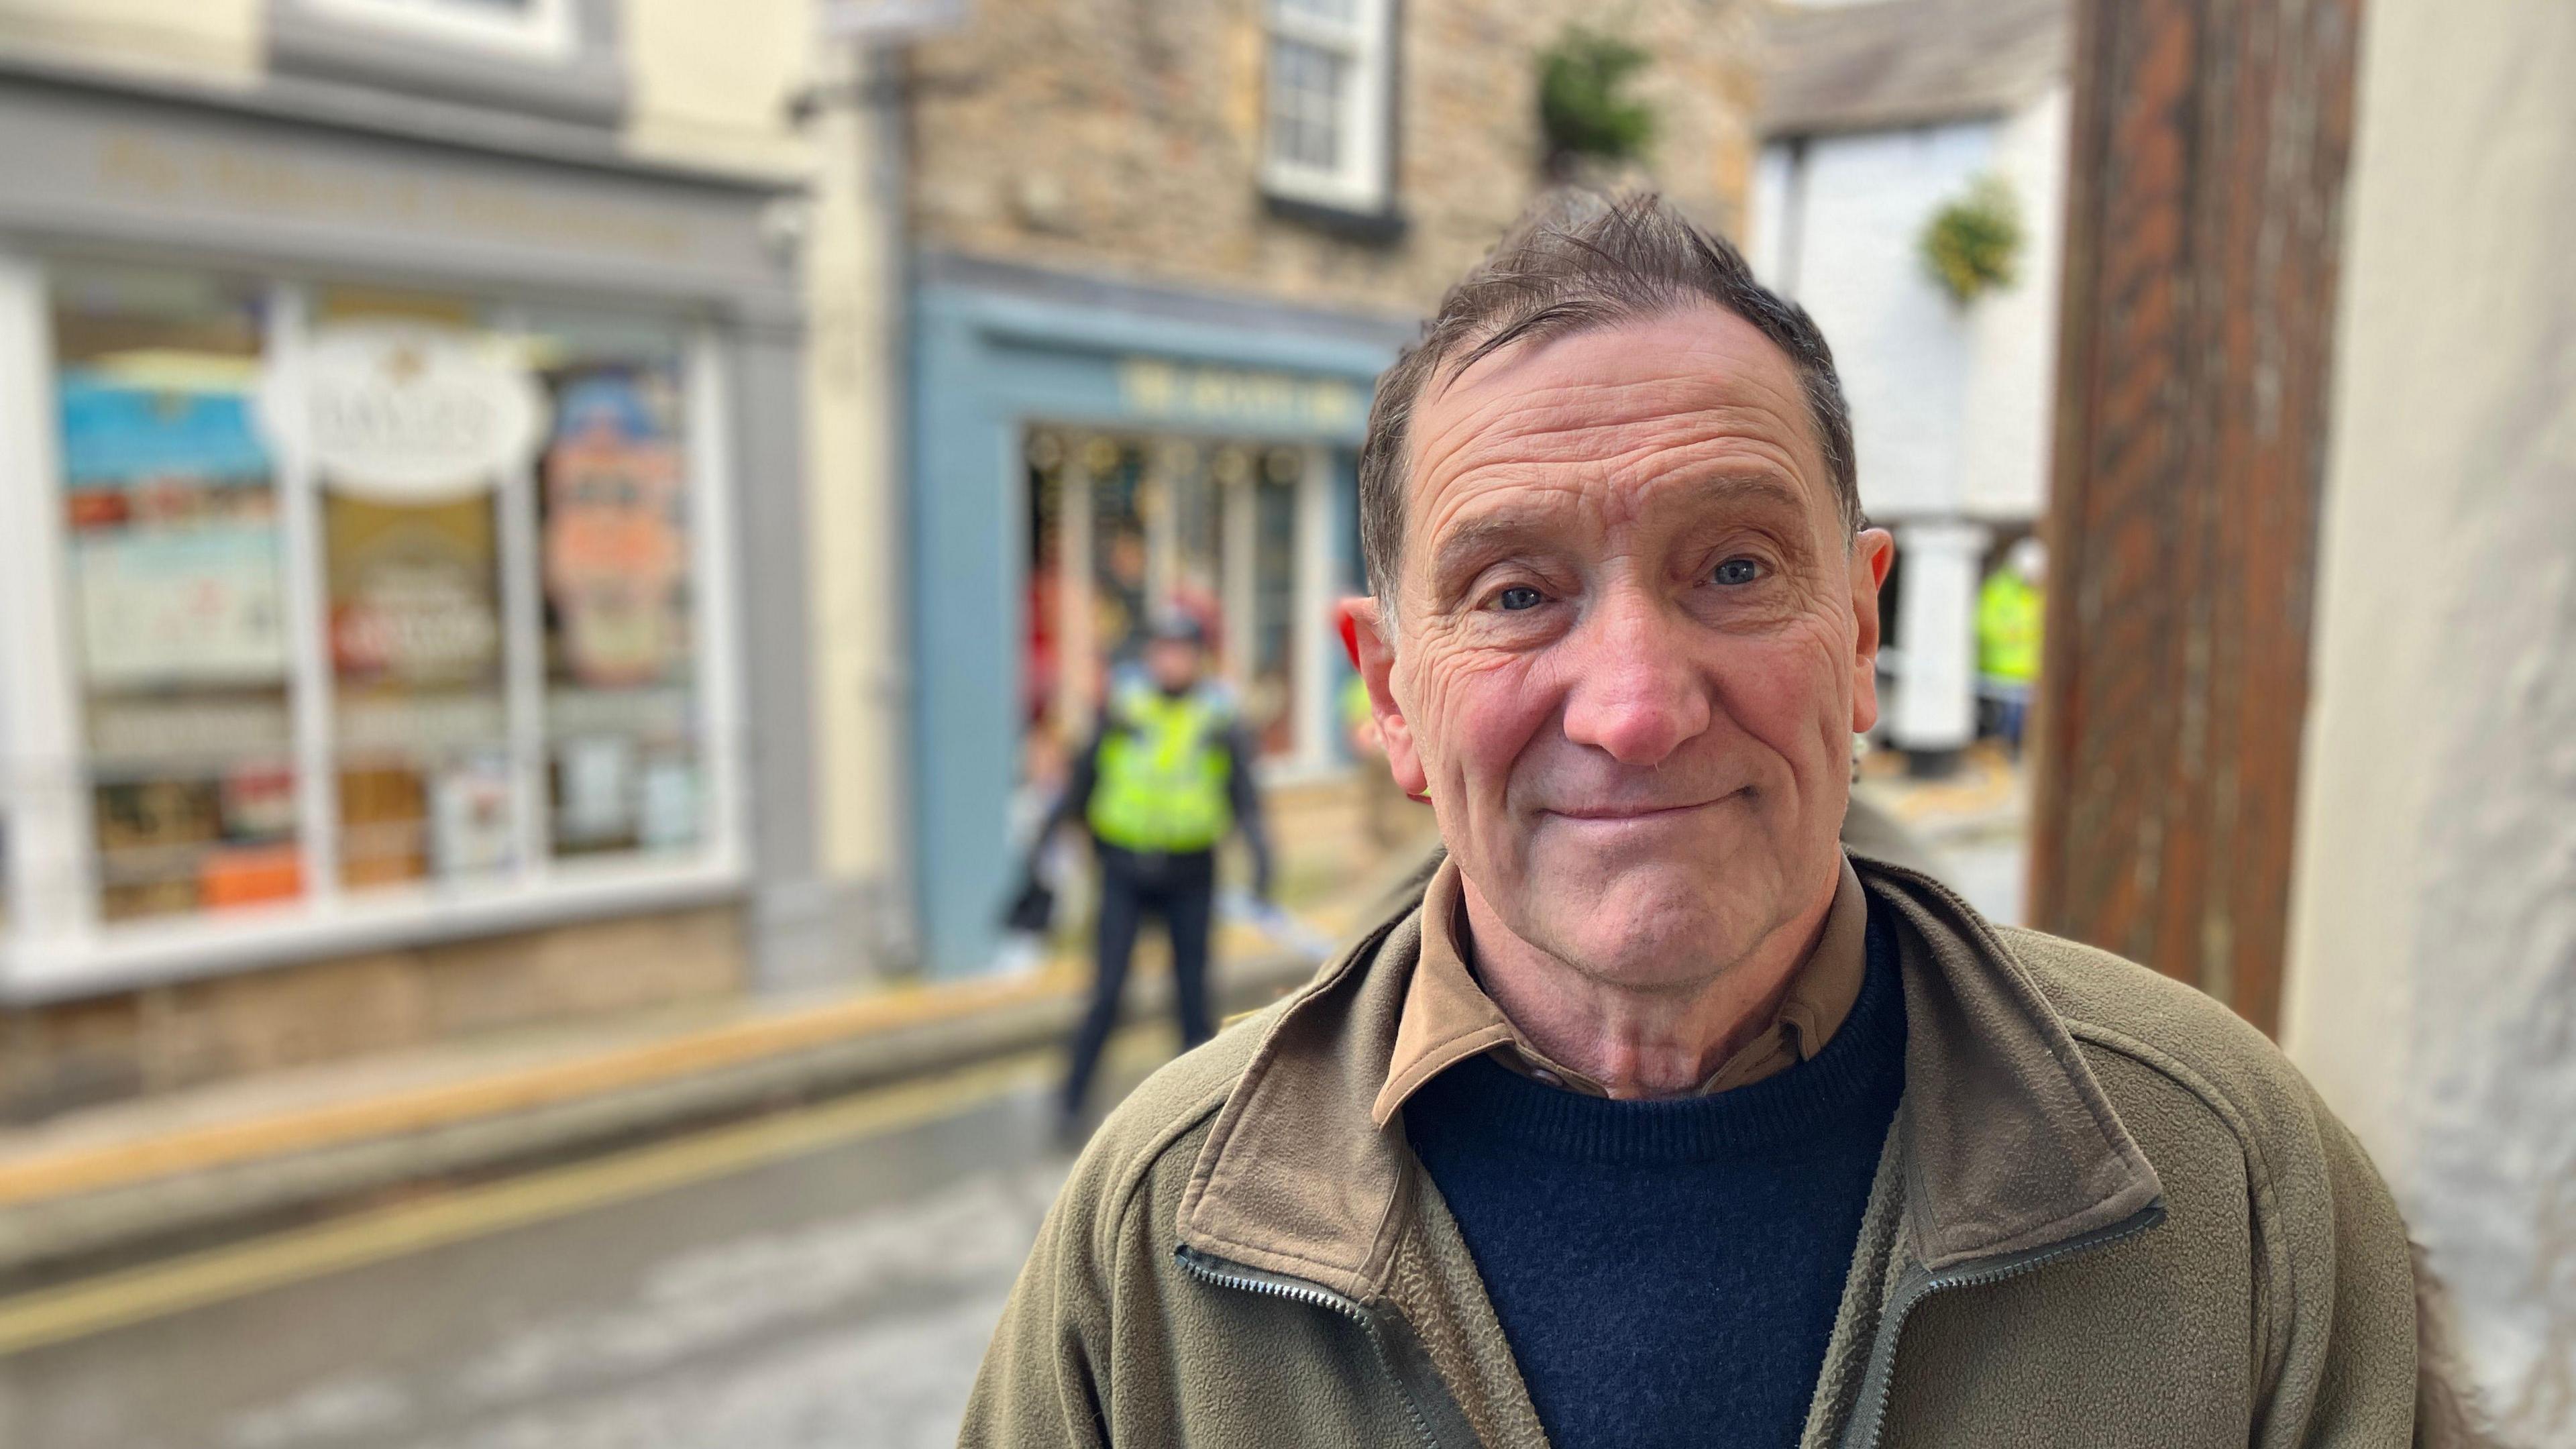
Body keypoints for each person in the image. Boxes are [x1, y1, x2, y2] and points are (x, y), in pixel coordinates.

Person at [964, 194, 2420, 1447]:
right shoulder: (1150, 1244)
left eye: (1731, 566)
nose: (1638, 709)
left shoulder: (2231, 1181)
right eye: (1517, 593)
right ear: (1392, 693)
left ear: (1860, 632)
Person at [1033, 613, 1272, 1141]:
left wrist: (1260, 857)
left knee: (1192, 999)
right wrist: (1047, 840)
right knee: (1108, 990)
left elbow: (1244, 796)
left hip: (1192, 874)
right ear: (1150, 656)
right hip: (1124, 871)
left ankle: (1199, 1120)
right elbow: (1083, 776)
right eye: (1162, 650)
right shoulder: (1124, 708)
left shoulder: (1218, 717)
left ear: (1198, 657)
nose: (1171, 661)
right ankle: (1069, 1102)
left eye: (1181, 651)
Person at [1977, 537, 2045, 753]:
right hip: (2000, 673)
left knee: (2022, 724)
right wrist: (2012, 632)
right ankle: (2002, 755)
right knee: (2003, 725)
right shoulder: (1997, 590)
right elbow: (1984, 623)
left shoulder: (2040, 594)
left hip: (2030, 674)